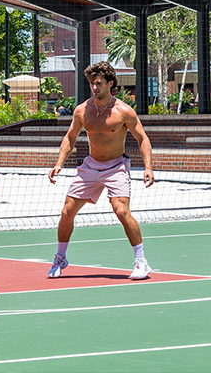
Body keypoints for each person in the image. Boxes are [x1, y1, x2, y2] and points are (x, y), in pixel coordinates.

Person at [47, 61, 155, 280]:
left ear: (110, 83)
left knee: (122, 211)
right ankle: (60, 258)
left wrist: (148, 167)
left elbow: (142, 138)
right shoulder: (82, 111)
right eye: (92, 84)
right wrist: (59, 163)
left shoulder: (123, 111)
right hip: (90, 166)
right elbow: (70, 138)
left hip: (116, 167)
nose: (94, 88)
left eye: (98, 83)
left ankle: (141, 262)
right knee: (67, 212)